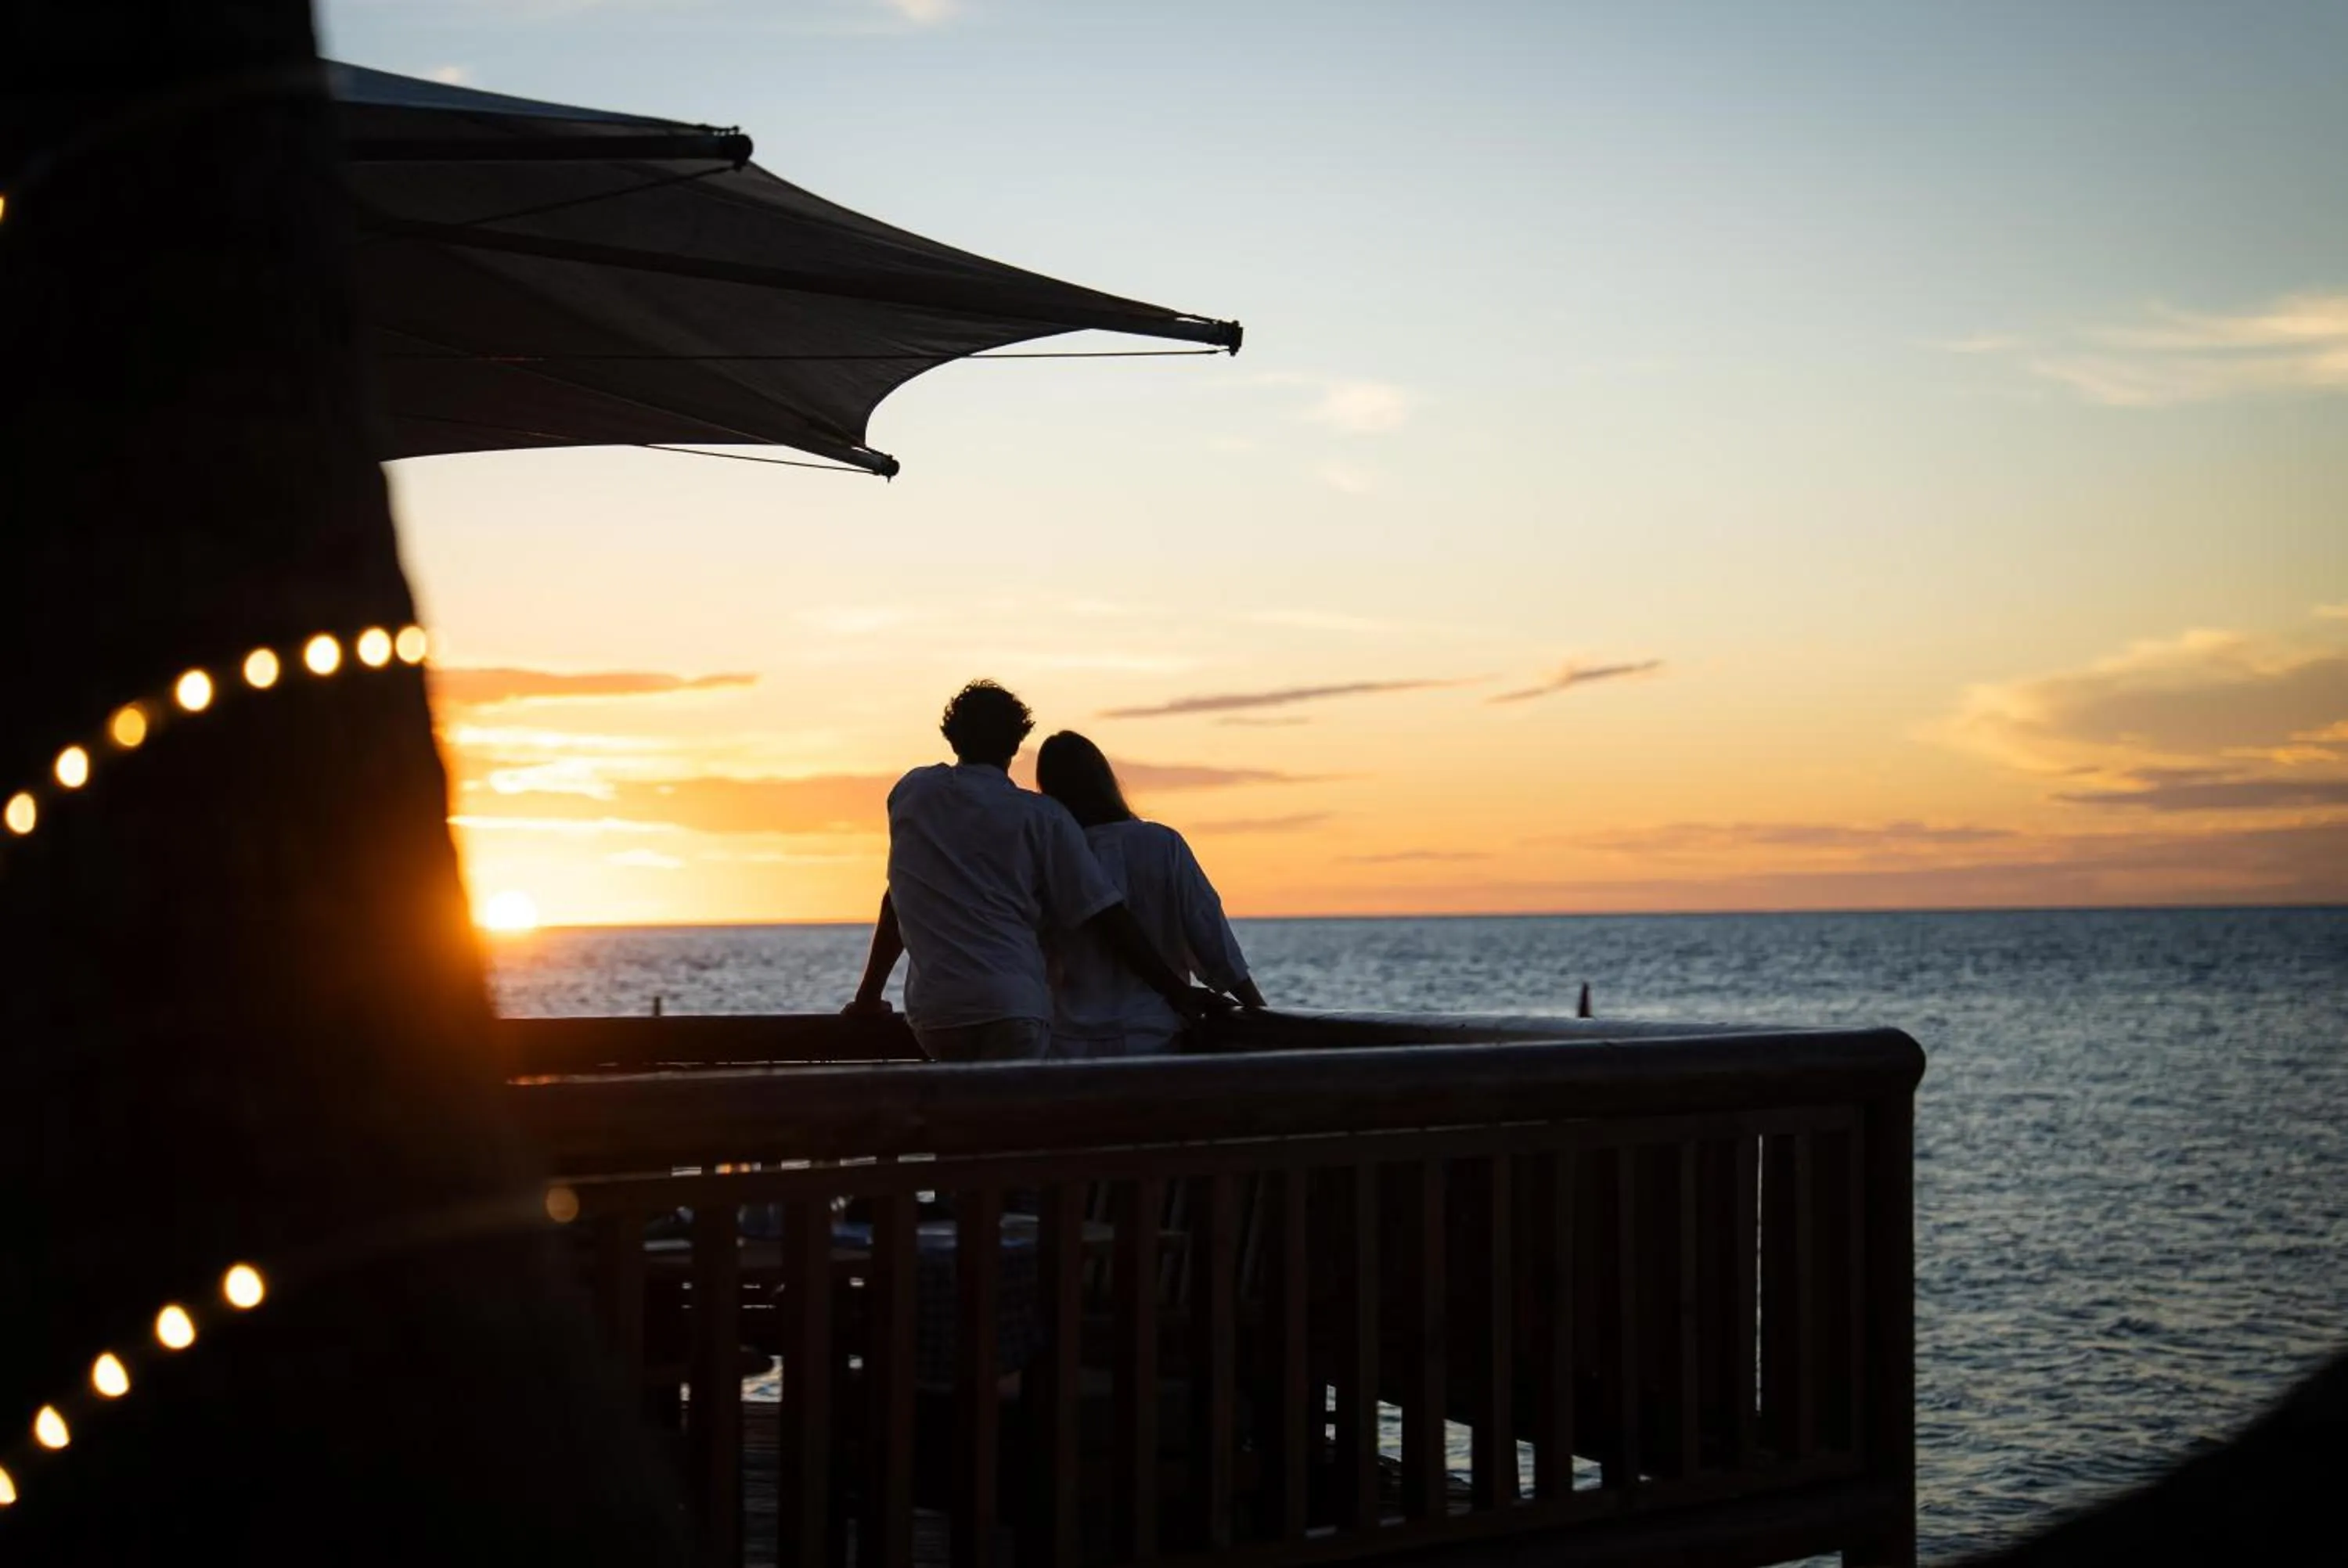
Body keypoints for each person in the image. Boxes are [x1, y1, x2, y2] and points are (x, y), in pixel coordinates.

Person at [844, 681, 1212, 1061]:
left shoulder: (912, 794)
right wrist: (1178, 993)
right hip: (1013, 1007)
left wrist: (868, 998)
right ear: (1017, 743)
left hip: (938, 1013)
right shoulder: (1042, 817)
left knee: (964, 1116)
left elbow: (896, 903)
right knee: (1015, 1116)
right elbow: (1105, 915)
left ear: (952, 739)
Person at [1034, 730, 1266, 1056]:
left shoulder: (1051, 858)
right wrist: (1259, 1008)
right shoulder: (1163, 844)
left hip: (1070, 1042)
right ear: (1105, 780)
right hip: (1153, 1036)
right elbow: (1209, 935)